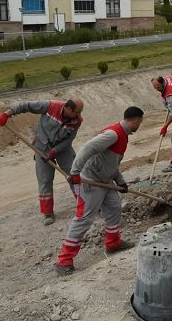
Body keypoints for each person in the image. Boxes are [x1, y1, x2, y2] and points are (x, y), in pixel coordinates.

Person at [55, 106, 144, 276]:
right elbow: (87, 148)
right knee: (84, 218)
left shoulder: (123, 135)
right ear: (135, 120)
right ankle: (64, 260)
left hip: (105, 182)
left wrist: (120, 181)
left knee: (114, 207)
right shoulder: (113, 134)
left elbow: (112, 163)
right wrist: (74, 172)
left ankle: (113, 243)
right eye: (139, 122)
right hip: (91, 182)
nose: (139, 125)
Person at [0, 98, 84, 226]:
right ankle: (48, 213)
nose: (79, 115)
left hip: (62, 148)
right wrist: (7, 114)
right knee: (45, 179)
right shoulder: (50, 106)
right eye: (77, 112)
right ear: (68, 108)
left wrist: (55, 151)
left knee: (74, 174)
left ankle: (84, 204)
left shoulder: (77, 120)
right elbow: (25, 105)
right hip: (42, 146)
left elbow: (69, 139)